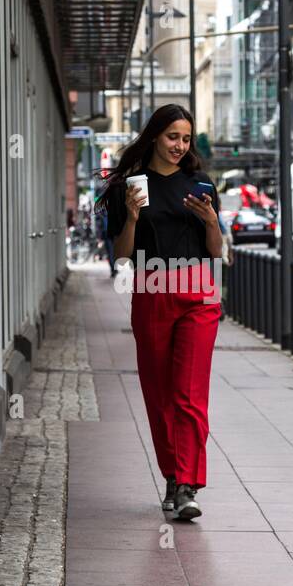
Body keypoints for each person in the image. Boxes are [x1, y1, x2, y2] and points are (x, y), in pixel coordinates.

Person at [100, 104, 223, 521]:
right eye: (173, 136)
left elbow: (216, 251)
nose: (180, 145)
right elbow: (122, 256)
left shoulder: (200, 183)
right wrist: (132, 218)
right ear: (154, 136)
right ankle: (172, 474)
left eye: (186, 138)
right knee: (159, 395)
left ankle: (188, 485)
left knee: (190, 394)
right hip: (151, 290)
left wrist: (211, 222)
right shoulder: (128, 188)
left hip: (197, 294)